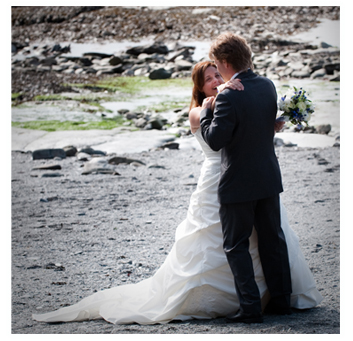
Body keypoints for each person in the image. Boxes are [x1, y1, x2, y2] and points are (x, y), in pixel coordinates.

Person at [32, 60, 322, 325]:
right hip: (216, 182)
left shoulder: (229, 98)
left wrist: (269, 124)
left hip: (246, 178)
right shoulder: (199, 110)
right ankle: (238, 300)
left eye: (217, 75)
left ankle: (269, 296)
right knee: (222, 243)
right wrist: (226, 89)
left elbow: (242, 131)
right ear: (199, 86)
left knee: (267, 238)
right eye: (208, 78)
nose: (215, 80)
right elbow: (216, 133)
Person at [200, 32, 294, 324]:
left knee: (236, 245)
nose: (217, 67)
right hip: (267, 176)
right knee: (273, 240)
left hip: (238, 182)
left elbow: (215, 141)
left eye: (217, 63)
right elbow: (265, 124)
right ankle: (281, 301)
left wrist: (206, 114)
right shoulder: (267, 85)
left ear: (225, 62)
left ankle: (251, 308)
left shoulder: (228, 95)